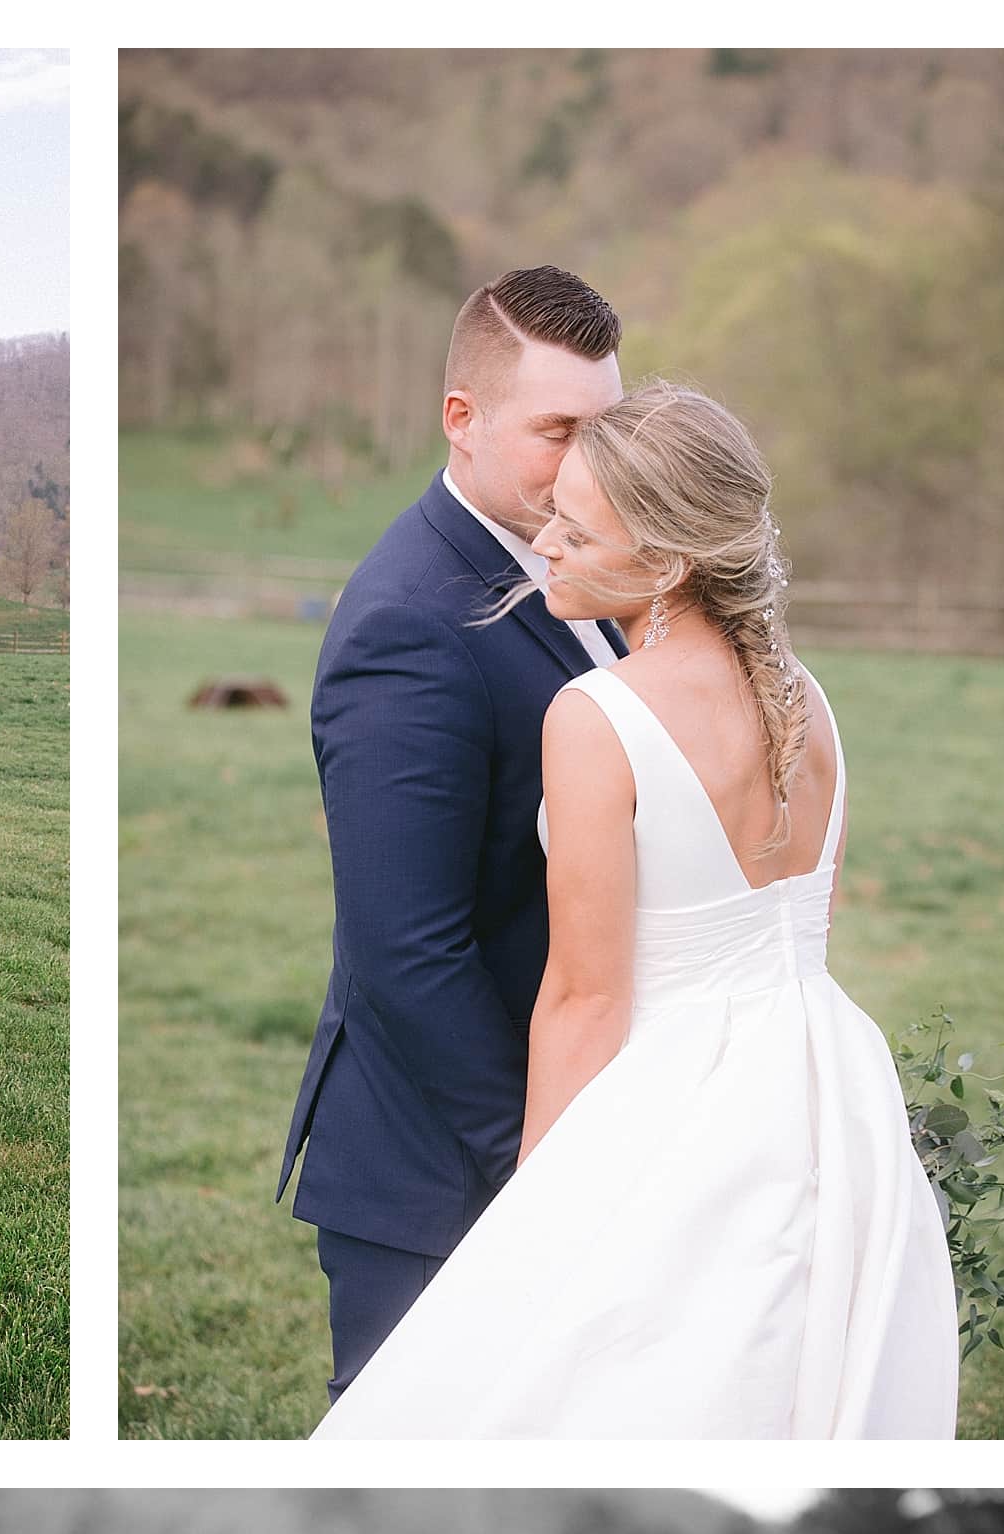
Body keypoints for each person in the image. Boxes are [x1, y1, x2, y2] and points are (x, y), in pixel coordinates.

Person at [314, 385, 958, 1438]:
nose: (545, 540)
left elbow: (584, 995)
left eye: (575, 527)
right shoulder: (805, 696)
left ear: (664, 563)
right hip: (829, 1098)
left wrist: (538, 1215)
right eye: (552, 509)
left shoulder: (596, 714)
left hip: (674, 1101)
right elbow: (808, 926)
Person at [279, 267, 627, 1401]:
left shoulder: (588, 568)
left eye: (606, 429)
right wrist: (546, 1162)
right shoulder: (407, 622)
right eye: (557, 431)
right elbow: (403, 952)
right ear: (459, 420)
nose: (588, 464)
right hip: (441, 1172)